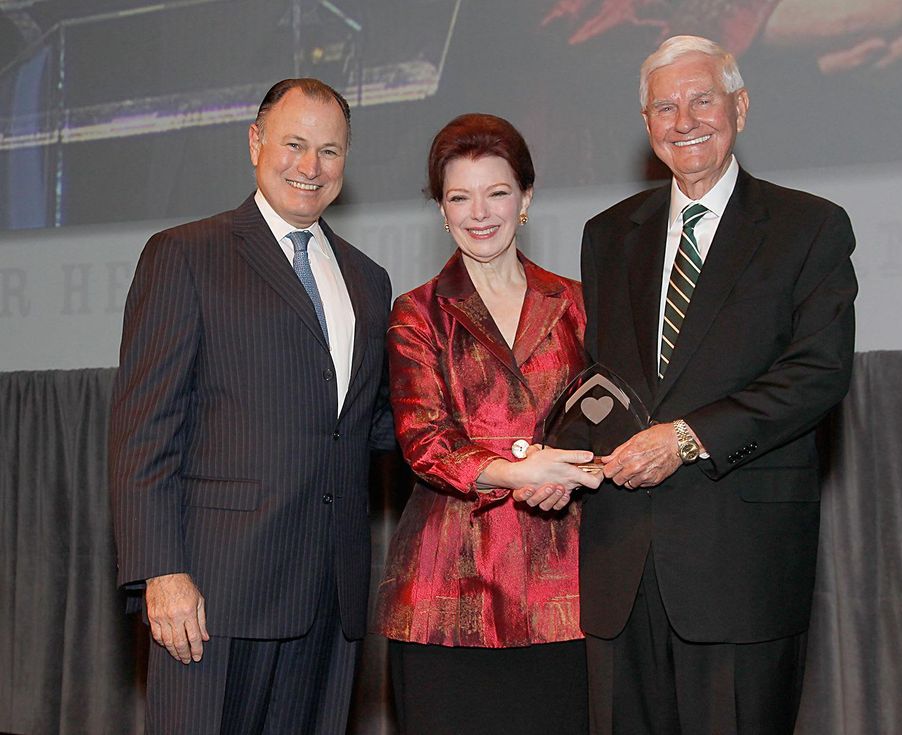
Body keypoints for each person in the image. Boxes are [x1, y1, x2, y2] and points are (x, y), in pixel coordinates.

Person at [578, 36, 858, 734]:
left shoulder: (808, 226)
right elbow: (601, 383)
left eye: (701, 99)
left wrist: (687, 437)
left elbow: (818, 372)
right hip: (624, 564)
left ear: (739, 106)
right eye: (664, 106)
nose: (684, 120)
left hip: (742, 564)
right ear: (646, 125)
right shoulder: (608, 234)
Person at [108, 78, 393, 734]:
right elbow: (144, 429)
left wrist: (491, 434)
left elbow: (370, 425)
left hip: (330, 597)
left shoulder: (368, 280)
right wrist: (161, 570)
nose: (310, 166)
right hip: (215, 594)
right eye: (294, 143)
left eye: (330, 151)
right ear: (255, 143)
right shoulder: (185, 255)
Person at [373, 113, 601, 735]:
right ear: (441, 211)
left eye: (497, 192)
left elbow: (606, 418)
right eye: (459, 197)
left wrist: (574, 469)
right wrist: (525, 469)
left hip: (565, 591)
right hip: (446, 594)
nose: (480, 212)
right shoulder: (416, 312)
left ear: (526, 198)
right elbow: (425, 440)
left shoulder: (580, 303)